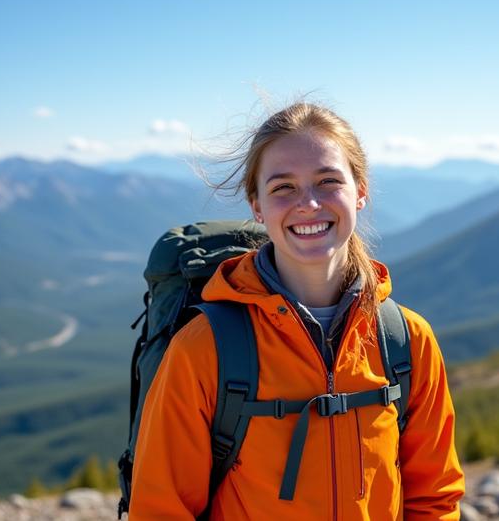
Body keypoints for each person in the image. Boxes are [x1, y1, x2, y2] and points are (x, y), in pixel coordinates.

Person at [130, 102, 465, 519]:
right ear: (257, 206)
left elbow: (434, 498)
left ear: (360, 192)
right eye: (283, 187)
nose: (308, 203)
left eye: (327, 181)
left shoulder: (406, 342)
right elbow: (161, 510)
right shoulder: (205, 349)